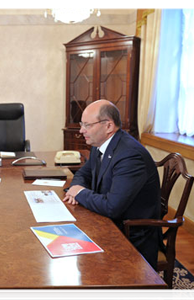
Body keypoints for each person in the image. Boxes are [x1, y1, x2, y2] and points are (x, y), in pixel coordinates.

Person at [63, 100, 161, 269]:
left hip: (131, 233)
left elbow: (112, 207)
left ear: (108, 126)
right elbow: (84, 173)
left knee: (69, 249)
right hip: (109, 220)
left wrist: (79, 193)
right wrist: (74, 188)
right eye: (81, 124)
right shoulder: (99, 143)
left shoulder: (130, 156)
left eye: (87, 125)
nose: (81, 131)